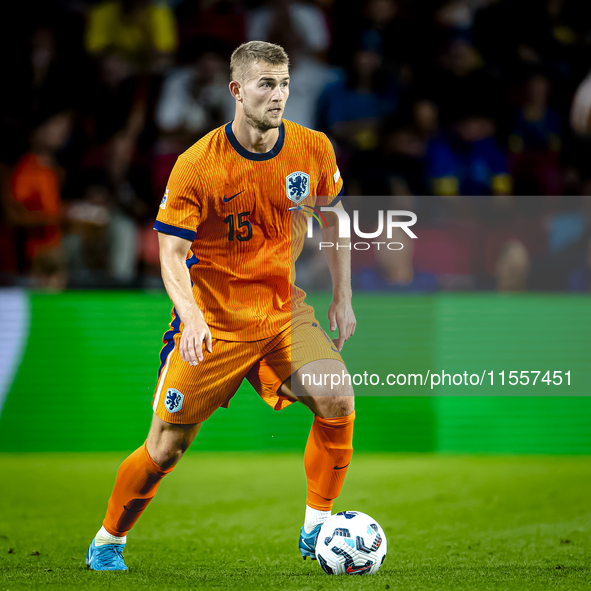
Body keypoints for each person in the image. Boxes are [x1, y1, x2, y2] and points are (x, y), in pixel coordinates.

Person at [86, 41, 356, 571]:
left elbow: (336, 220)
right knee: (165, 448)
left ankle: (318, 526)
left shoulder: (312, 148)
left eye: (283, 84)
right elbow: (171, 251)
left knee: (338, 399)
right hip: (212, 323)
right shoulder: (197, 165)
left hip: (283, 313)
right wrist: (189, 316)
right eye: (265, 85)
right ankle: (109, 538)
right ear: (236, 90)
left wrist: (342, 298)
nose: (278, 96)